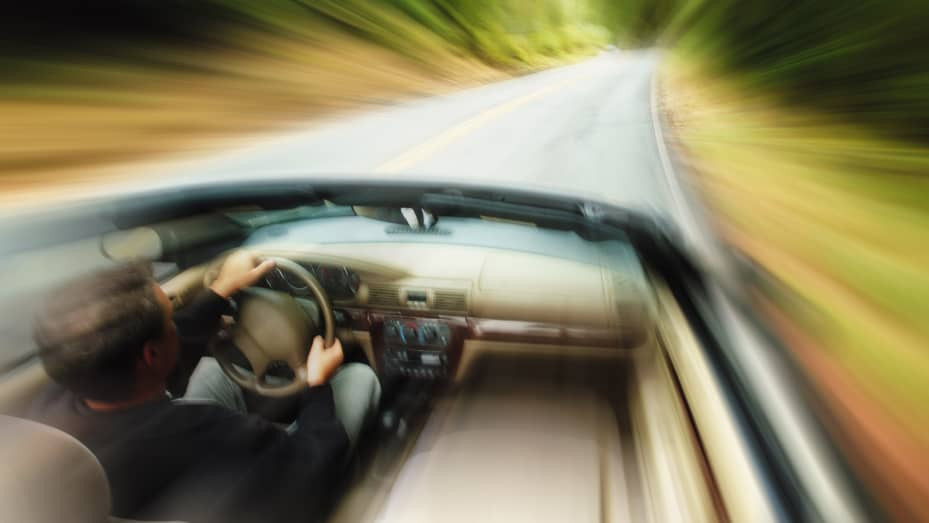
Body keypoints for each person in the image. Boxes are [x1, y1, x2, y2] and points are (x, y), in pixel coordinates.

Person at [27, 251, 380, 523]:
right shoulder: (214, 434)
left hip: (159, 492)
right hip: (291, 485)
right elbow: (315, 467)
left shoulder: (49, 413)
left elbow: (170, 338)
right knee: (358, 379)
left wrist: (221, 291)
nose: (177, 328)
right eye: (169, 323)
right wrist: (316, 384)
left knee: (214, 368)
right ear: (150, 355)